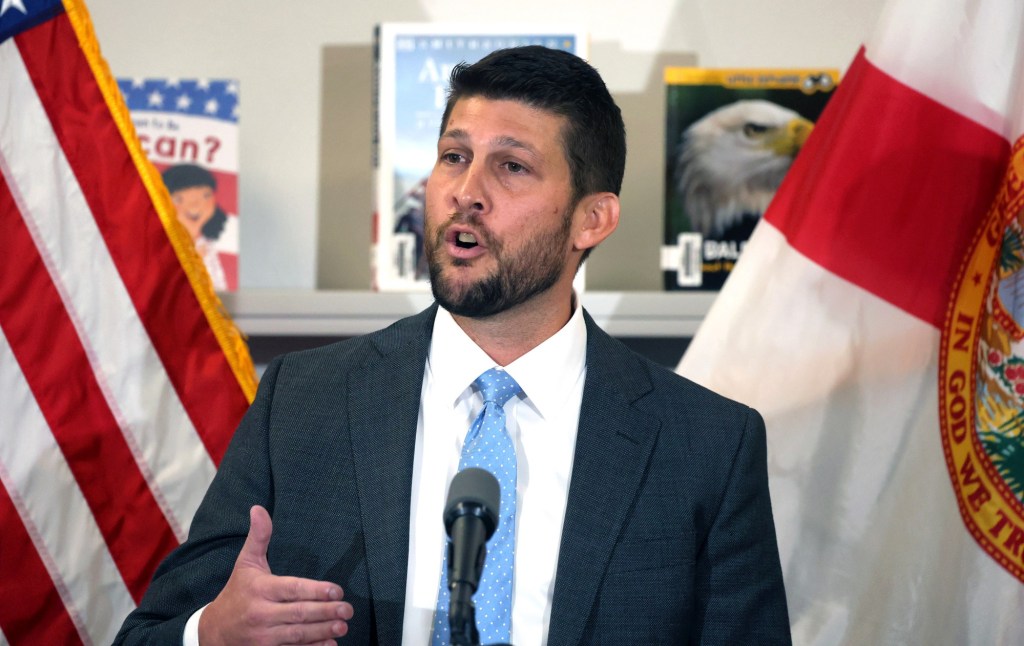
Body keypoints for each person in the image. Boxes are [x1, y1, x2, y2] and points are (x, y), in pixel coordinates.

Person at [115, 46, 790, 645]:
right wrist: (213, 634)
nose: (467, 193)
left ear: (592, 219)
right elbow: (145, 637)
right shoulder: (303, 403)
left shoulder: (707, 446)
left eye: (512, 167)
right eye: (454, 157)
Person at [162, 163, 238, 291]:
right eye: (179, 199)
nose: (195, 207)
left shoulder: (207, 245)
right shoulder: (162, 246)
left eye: (205, 196)